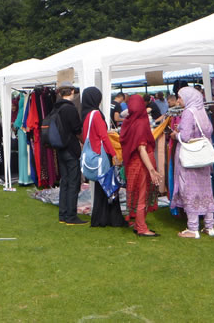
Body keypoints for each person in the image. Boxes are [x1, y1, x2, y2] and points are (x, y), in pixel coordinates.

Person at [168, 87, 214, 238]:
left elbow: (184, 137)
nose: (178, 100)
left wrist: (175, 135)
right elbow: (207, 131)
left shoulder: (188, 112)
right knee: (205, 190)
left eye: (180, 97)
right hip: (202, 156)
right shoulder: (201, 111)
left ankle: (193, 228)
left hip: (190, 157)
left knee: (189, 189)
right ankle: (209, 226)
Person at [121, 95, 163, 237]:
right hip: (142, 163)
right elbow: (141, 148)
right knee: (142, 195)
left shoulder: (128, 121)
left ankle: (139, 224)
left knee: (138, 193)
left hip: (133, 163)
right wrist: (151, 169)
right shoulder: (140, 122)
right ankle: (141, 227)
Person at [81, 87, 124, 227]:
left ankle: (101, 217)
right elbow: (104, 137)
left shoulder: (85, 115)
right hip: (102, 154)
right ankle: (112, 218)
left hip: (94, 154)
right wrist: (113, 154)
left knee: (101, 188)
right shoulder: (96, 114)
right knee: (109, 185)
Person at [54, 83, 85, 225]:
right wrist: (84, 141)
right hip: (70, 148)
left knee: (65, 181)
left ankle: (63, 214)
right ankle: (71, 215)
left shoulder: (56, 108)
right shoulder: (70, 109)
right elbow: (77, 129)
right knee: (73, 182)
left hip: (60, 147)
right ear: (72, 92)